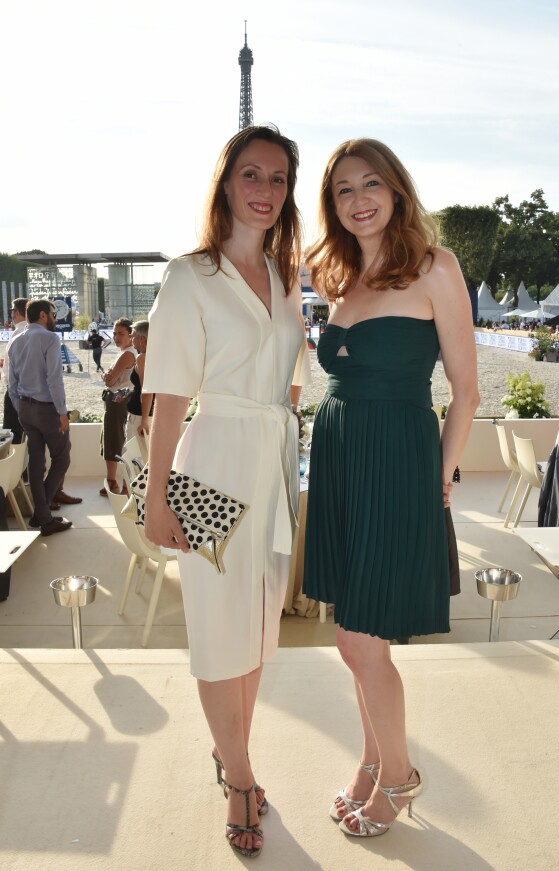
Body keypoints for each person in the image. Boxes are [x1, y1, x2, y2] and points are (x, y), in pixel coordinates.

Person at [303, 139, 479, 840]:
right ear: (333, 205)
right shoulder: (339, 276)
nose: (358, 199)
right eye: (343, 190)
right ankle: (373, 760)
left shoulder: (437, 267)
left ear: (396, 189)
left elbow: (466, 393)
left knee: (358, 639)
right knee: (357, 633)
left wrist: (437, 474)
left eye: (370, 183)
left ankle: (400, 775)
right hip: (344, 455)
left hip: (397, 459)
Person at [142, 125, 309, 859]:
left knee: (258, 628)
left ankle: (230, 754)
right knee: (218, 628)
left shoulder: (284, 277)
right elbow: (169, 396)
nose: (265, 190)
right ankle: (240, 776)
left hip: (272, 471)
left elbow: (298, 377)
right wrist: (157, 494)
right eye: (252, 174)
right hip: (210, 468)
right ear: (226, 183)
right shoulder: (190, 276)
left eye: (278, 178)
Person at [7, 299, 73, 536]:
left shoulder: (15, 339)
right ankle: (42, 515)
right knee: (62, 458)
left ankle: (42, 516)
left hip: (25, 408)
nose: (55, 317)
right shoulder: (50, 338)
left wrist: (20, 406)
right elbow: (54, 379)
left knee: (36, 464)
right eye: (53, 313)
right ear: (43, 315)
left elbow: (10, 381)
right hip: (47, 410)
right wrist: (62, 412)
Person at [99, 317, 137, 496]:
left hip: (117, 400)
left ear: (131, 335)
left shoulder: (127, 354)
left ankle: (115, 483)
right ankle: (120, 483)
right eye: (114, 333)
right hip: (123, 399)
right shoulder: (130, 352)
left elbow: (110, 381)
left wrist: (107, 375)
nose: (116, 337)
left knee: (113, 441)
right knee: (119, 440)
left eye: (121, 333)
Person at [125, 320, 153, 457]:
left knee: (136, 458)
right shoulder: (156, 357)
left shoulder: (142, 358)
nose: (130, 336)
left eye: (133, 335)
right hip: (150, 414)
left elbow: (147, 391)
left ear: (142, 339)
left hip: (140, 415)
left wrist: (143, 421)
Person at [2, 297, 28, 443]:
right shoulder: (29, 330)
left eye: (12, 310)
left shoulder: (19, 331)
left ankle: (17, 466)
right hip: (25, 389)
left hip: (15, 389)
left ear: (16, 312)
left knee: (12, 433)